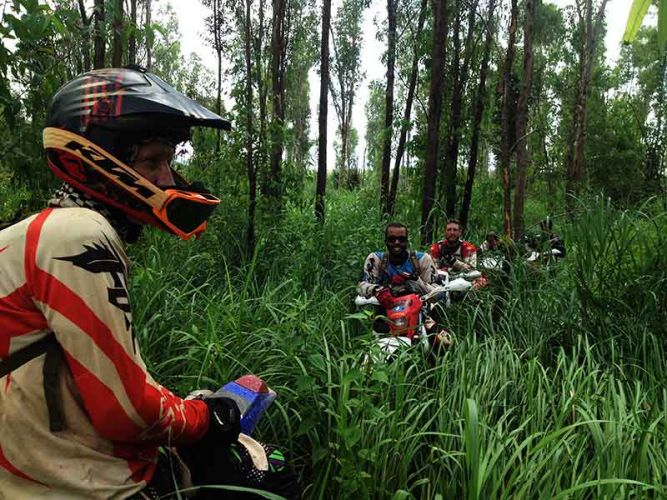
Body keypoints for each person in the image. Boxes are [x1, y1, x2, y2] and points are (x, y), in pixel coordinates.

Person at [0, 67, 295, 499]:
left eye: (168, 162)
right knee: (271, 479)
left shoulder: (33, 233)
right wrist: (210, 416)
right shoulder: (78, 235)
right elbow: (128, 411)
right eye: (152, 161)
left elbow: (98, 375)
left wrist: (191, 407)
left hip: (42, 462)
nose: (166, 178)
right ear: (103, 159)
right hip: (82, 483)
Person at [357, 222, 436, 306]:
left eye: (401, 239)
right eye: (392, 239)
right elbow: (361, 286)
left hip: (418, 310)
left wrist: (415, 281)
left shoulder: (422, 259)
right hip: (383, 310)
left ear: (407, 241)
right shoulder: (375, 259)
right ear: (386, 241)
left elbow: (438, 291)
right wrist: (376, 290)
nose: (397, 242)